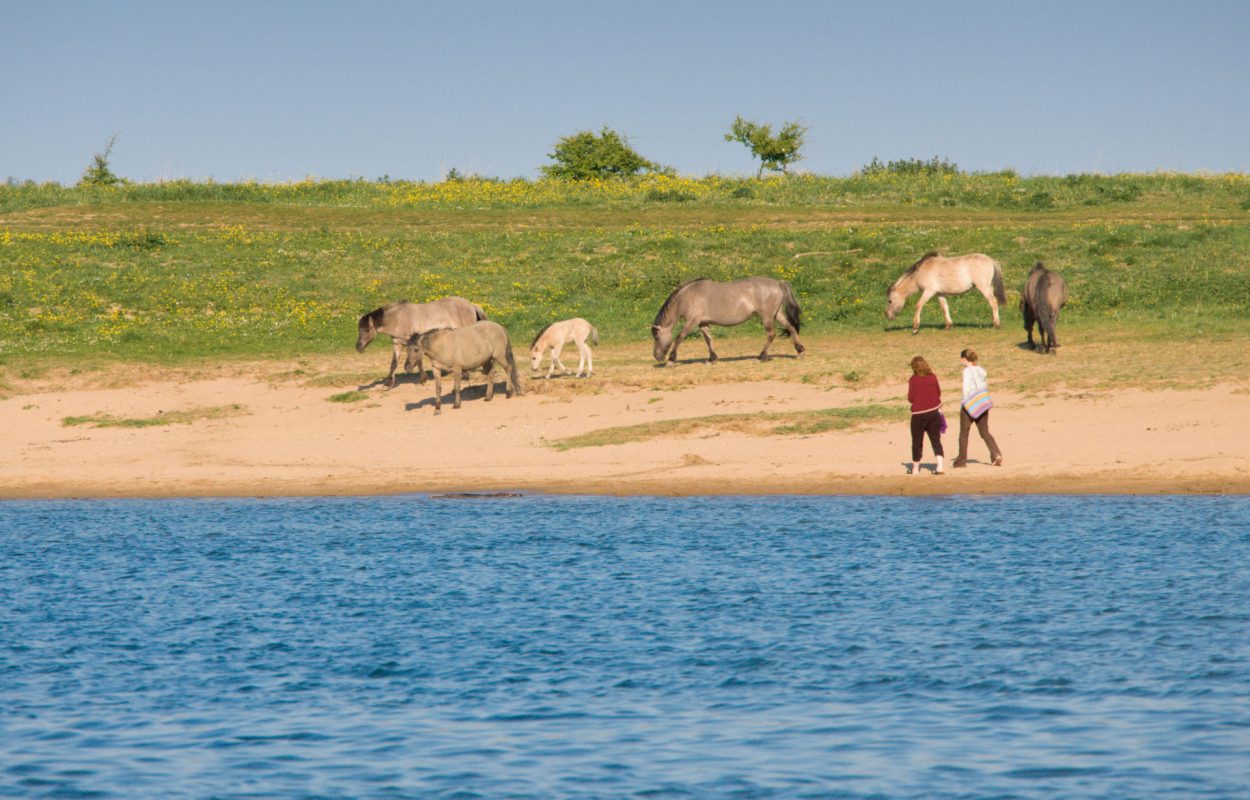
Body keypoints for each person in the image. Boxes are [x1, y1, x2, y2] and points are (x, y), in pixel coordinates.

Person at [953, 348, 1003, 468]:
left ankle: (961, 460)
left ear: (964, 359)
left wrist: (965, 402)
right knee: (984, 431)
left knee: (964, 433)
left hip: (970, 404)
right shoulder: (981, 370)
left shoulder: (967, 371)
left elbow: (966, 389)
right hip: (982, 403)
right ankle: (996, 454)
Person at [907, 355, 944, 475]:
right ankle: (940, 466)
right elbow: (938, 393)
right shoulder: (932, 377)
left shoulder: (913, 379)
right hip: (934, 412)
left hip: (919, 415)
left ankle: (915, 469)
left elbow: (911, 398)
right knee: (936, 440)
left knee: (917, 442)